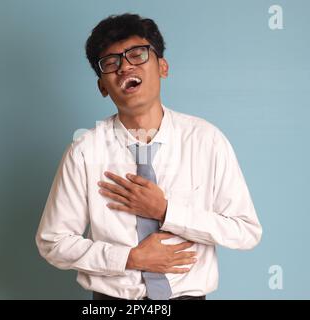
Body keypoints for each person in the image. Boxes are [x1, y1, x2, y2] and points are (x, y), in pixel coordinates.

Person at [36, 13, 262, 300]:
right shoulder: (84, 151)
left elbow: (245, 231)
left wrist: (166, 212)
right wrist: (128, 258)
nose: (125, 66)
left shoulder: (206, 140)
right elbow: (52, 242)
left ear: (163, 67)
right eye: (111, 62)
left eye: (137, 54)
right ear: (103, 86)